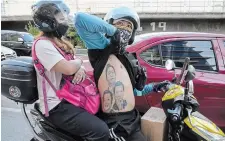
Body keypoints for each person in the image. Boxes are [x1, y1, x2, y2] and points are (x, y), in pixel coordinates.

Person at [74, 6, 169, 141]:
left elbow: (135, 92)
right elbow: (79, 19)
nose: (124, 28)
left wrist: (154, 87)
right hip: (114, 124)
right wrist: (114, 32)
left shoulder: (128, 58)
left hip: (132, 120)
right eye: (120, 23)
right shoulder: (100, 47)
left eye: (129, 26)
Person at [31, 0, 109, 141]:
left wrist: (79, 66)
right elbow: (69, 68)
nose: (65, 22)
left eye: (65, 18)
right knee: (100, 131)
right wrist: (78, 64)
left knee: (106, 114)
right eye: (61, 19)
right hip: (56, 105)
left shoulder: (59, 43)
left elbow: (77, 64)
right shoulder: (42, 44)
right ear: (49, 22)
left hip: (70, 97)